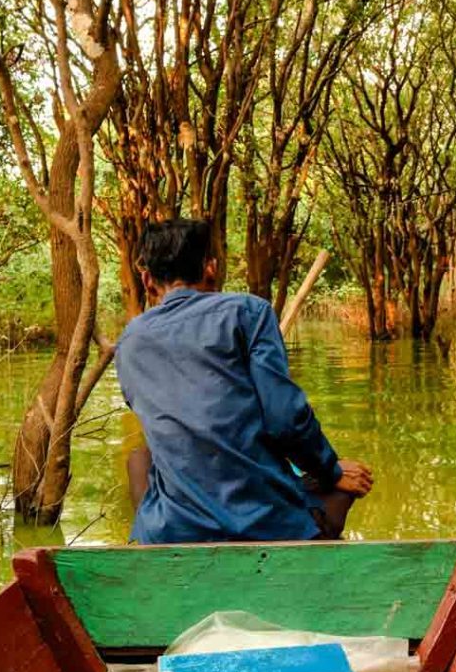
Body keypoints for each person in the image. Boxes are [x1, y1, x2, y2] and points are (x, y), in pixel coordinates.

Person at [115, 218, 374, 544]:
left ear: (147, 280)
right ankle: (314, 534)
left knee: (140, 457)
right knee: (347, 479)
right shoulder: (248, 312)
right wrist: (331, 470)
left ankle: (153, 545)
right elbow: (286, 421)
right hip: (265, 522)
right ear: (210, 269)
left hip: (172, 529)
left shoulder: (129, 341)